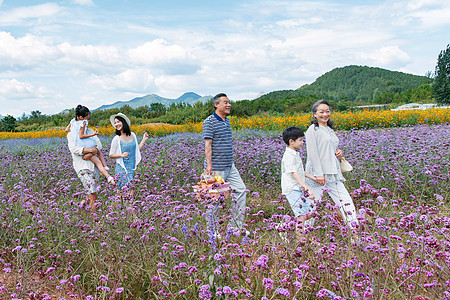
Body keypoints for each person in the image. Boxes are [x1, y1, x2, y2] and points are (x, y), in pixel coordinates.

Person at [304, 100, 358, 228]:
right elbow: (313, 154)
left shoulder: (329, 129)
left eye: (327, 111)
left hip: (333, 172)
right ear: (315, 114)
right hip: (318, 175)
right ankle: (300, 233)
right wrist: (318, 174)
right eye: (321, 112)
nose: (325, 114)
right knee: (312, 206)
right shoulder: (313, 130)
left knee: (346, 201)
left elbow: (329, 147)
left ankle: (354, 231)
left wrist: (338, 153)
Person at [203, 93, 248, 237]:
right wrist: (209, 166)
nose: (228, 105)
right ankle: (212, 231)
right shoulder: (209, 121)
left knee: (241, 190)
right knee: (214, 200)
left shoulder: (226, 120)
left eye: (229, 102)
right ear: (216, 105)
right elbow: (208, 144)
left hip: (229, 165)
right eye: (225, 102)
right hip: (216, 166)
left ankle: (235, 228)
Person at [281, 127, 316, 239]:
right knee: (301, 215)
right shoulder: (289, 156)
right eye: (300, 140)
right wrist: (307, 188)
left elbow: (301, 172)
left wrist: (314, 178)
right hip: (292, 188)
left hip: (298, 188)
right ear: (292, 141)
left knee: (308, 214)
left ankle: (283, 226)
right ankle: (301, 240)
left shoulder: (295, 153)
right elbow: (294, 173)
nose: (302, 142)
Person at [66, 105, 114, 184]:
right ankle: (107, 174)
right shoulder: (83, 123)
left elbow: (67, 129)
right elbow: (80, 137)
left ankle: (106, 170)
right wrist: (92, 135)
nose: (89, 118)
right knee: (98, 160)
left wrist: (74, 130)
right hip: (83, 146)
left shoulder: (73, 122)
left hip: (83, 145)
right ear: (81, 117)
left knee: (98, 153)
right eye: (87, 117)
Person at [109, 113, 149, 192]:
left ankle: (128, 205)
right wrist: (121, 155)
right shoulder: (116, 138)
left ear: (124, 122)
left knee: (130, 192)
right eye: (115, 123)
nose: (116, 124)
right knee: (121, 192)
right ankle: (118, 204)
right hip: (121, 168)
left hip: (131, 168)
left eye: (118, 122)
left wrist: (144, 139)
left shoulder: (133, 135)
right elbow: (111, 155)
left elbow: (136, 150)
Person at [67, 125, 102, 212]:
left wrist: (91, 153)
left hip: (93, 166)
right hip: (82, 166)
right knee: (92, 193)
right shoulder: (72, 134)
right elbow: (74, 149)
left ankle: (81, 209)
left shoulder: (90, 131)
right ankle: (94, 219)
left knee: (92, 194)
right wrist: (90, 150)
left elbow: (99, 145)